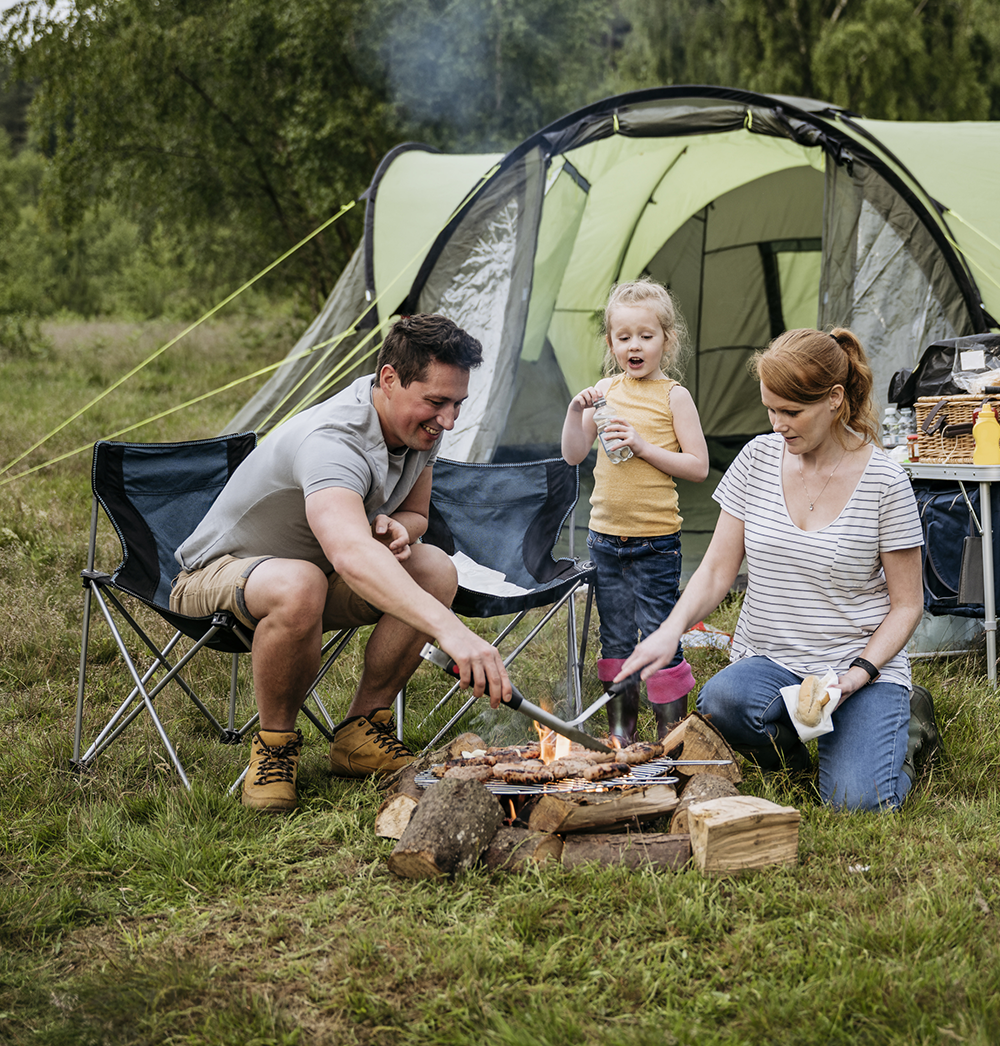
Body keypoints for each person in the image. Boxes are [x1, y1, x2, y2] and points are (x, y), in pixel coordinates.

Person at [171, 313, 512, 813]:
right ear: (390, 379)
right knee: (300, 582)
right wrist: (452, 632)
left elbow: (416, 512)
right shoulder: (333, 440)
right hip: (219, 573)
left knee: (434, 567)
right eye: (436, 402)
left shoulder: (417, 430)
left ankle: (360, 732)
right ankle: (274, 748)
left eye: (457, 403)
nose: (449, 421)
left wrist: (403, 528)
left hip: (314, 574)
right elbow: (351, 556)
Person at [614, 327, 942, 811]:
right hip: (774, 665)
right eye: (770, 409)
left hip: (857, 670)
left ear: (834, 400)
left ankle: (908, 731)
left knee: (859, 805)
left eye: (792, 412)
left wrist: (856, 677)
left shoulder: (885, 480)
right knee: (723, 701)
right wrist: (670, 631)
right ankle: (804, 760)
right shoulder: (757, 458)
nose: (778, 424)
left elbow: (908, 604)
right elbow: (715, 572)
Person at [561, 280, 709, 743]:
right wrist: (573, 413)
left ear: (668, 339)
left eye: (646, 335)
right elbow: (572, 454)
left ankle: (670, 736)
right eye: (623, 337)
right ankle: (620, 733)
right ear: (611, 343)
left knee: (662, 638)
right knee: (616, 639)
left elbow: (699, 466)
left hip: (654, 542)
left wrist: (644, 447)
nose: (635, 345)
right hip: (605, 539)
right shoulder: (603, 393)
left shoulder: (673, 397)